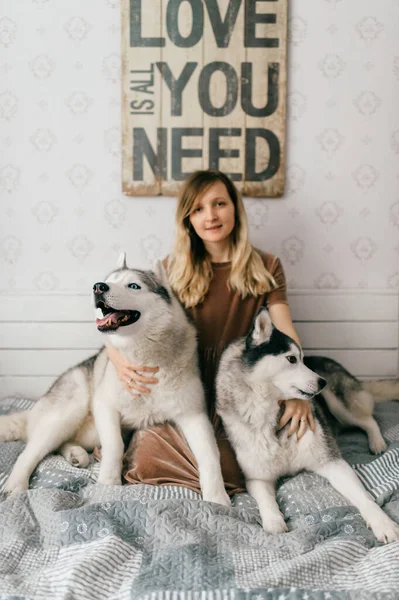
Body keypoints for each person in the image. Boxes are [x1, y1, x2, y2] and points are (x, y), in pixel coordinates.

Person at [107, 170, 314, 496]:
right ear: (188, 219)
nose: (211, 215)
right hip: (186, 387)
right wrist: (117, 360)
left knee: (237, 467)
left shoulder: (267, 265)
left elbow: (285, 332)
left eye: (220, 203)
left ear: (235, 209)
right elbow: (126, 323)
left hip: (241, 390)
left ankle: (208, 467)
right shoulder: (171, 268)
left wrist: (296, 393)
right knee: (145, 461)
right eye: (199, 209)